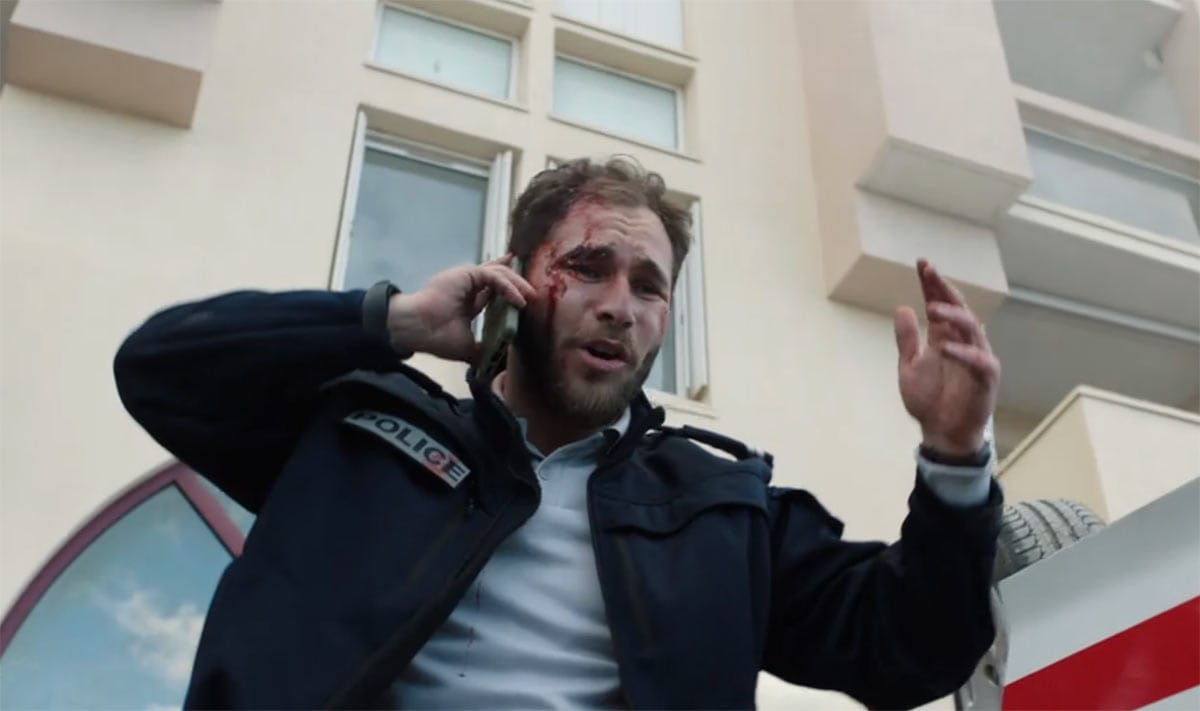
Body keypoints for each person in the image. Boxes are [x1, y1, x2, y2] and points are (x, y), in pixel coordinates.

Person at [114, 157, 1003, 710]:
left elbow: (908, 647)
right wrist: (395, 322)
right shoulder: (364, 433)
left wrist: (956, 458)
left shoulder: (721, 511)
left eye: (649, 286)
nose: (620, 304)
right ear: (513, 279)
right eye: (587, 267)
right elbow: (164, 370)